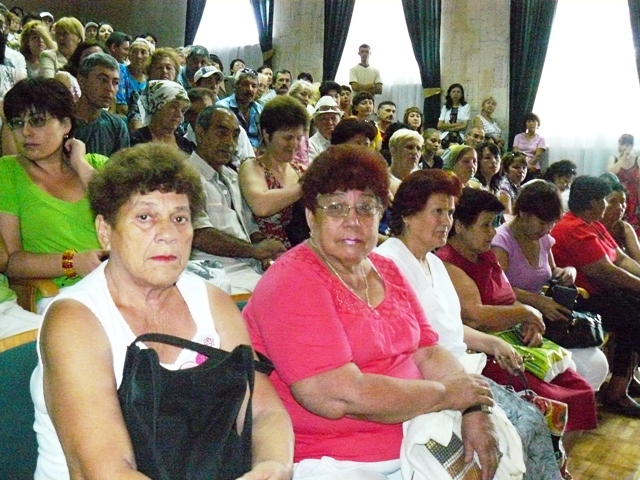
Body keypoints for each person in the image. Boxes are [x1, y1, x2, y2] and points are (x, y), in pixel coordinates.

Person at [30, 142, 294, 479]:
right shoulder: (76, 322)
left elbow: (264, 412)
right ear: (105, 232)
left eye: (180, 218)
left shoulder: (213, 303)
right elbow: (106, 470)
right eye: (145, 217)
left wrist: (273, 466)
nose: (168, 234)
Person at [243, 145, 503, 480]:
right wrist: (446, 395)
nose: (353, 221)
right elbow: (337, 396)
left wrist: (472, 408)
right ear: (310, 217)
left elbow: (428, 350)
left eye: (366, 207)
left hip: (418, 437)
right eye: (336, 207)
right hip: (339, 461)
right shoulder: (292, 281)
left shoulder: (385, 267)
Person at [376, 169, 564, 480]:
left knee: (533, 420)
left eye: (450, 212)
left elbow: (447, 328)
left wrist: (493, 343)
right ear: (408, 215)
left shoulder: (434, 262)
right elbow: (414, 345)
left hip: (459, 368)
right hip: (432, 380)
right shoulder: (388, 263)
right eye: (437, 211)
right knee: (525, 426)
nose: (446, 221)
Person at [437, 188, 598, 435]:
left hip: (514, 341)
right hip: (484, 352)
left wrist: (530, 321)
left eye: (494, 224)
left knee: (580, 388)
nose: (493, 232)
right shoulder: (448, 262)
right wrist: (527, 314)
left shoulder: (486, 257)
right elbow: (475, 316)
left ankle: (557, 456)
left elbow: (509, 298)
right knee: (556, 400)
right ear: (459, 227)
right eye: (485, 225)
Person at [491, 180, 609, 391]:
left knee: (597, 364)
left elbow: (552, 272)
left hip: (544, 318)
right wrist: (538, 302)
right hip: (512, 318)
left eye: (551, 224)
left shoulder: (543, 239)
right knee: (569, 368)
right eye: (542, 223)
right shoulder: (502, 241)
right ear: (523, 214)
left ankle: (576, 406)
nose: (546, 230)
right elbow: (497, 288)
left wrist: (569, 272)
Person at [0, 78, 108, 307]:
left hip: (120, 283)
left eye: (38, 121)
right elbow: (12, 262)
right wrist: (73, 262)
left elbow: (121, 210)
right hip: (61, 295)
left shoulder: (96, 165)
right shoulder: (7, 173)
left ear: (66, 125)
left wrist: (79, 163)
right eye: (17, 123)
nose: (25, 132)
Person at [551, 176, 640, 417]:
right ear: (593, 203)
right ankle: (617, 393)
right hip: (579, 300)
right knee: (633, 321)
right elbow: (605, 271)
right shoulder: (573, 228)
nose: (608, 205)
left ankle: (626, 380)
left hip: (601, 292)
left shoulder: (593, 224)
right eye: (605, 200)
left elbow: (620, 258)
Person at [188, 106, 286, 293]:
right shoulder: (184, 177)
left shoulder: (232, 176)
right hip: (214, 271)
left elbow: (250, 227)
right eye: (222, 133)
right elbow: (199, 235)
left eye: (234, 135)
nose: (229, 142)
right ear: (200, 133)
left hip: (249, 266)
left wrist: (265, 250)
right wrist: (254, 250)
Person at [239, 95, 308, 249]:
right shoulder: (252, 166)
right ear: (267, 134)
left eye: (299, 138)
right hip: (268, 254)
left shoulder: (302, 171)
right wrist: (306, 186)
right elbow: (261, 205)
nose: (294, 144)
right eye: (288, 138)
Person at [74, 53, 130, 157]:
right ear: (82, 81)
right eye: (103, 80)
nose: (110, 89)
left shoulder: (117, 127)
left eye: (115, 82)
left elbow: (121, 166)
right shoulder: (60, 121)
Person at [130, 80, 194, 154]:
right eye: (173, 107)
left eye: (183, 110)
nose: (179, 115)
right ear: (156, 107)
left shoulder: (186, 145)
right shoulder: (135, 140)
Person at [127, 47, 181, 130]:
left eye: (168, 68)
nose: (164, 71)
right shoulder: (139, 95)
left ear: (176, 73)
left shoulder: (181, 97)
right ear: (150, 73)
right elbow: (136, 125)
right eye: (159, 68)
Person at [216, 68, 263, 149]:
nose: (250, 89)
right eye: (245, 84)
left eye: (254, 86)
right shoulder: (222, 107)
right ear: (235, 86)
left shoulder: (259, 109)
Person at [599, 176, 640, 263]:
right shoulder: (592, 227)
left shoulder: (624, 227)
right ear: (601, 203)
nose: (620, 207)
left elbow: (638, 257)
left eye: (622, 202)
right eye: (613, 202)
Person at [606, 134, 639, 231]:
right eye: (622, 144)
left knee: (634, 221)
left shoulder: (637, 159)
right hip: (618, 195)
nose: (624, 147)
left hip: (634, 196)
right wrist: (622, 159)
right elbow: (610, 173)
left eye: (627, 145)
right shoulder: (613, 158)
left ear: (631, 146)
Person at [115, 37, 152, 116]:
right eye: (134, 52)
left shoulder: (150, 80)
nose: (138, 56)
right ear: (128, 55)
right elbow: (120, 106)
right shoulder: (120, 70)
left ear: (149, 56)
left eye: (143, 52)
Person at [388, 128, 422, 195]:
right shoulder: (382, 181)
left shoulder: (422, 180)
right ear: (393, 151)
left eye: (418, 149)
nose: (415, 152)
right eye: (409, 147)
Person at [308, 95, 342, 162]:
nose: (330, 123)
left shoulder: (345, 141)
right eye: (324, 119)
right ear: (316, 123)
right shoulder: (310, 145)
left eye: (334, 118)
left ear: (340, 121)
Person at [512, 113, 546, 179]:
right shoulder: (518, 137)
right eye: (528, 121)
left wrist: (527, 166)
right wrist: (524, 165)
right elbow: (515, 152)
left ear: (538, 124)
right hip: (519, 165)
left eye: (533, 121)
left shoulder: (541, 139)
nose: (531, 123)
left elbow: (537, 155)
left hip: (533, 167)